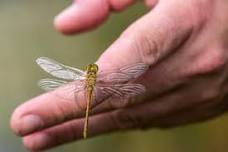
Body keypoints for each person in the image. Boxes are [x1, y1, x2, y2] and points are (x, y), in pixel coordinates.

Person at [10, 0, 228, 151]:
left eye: (92, 71)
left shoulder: (91, 78)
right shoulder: (99, 79)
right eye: (91, 71)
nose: (91, 71)